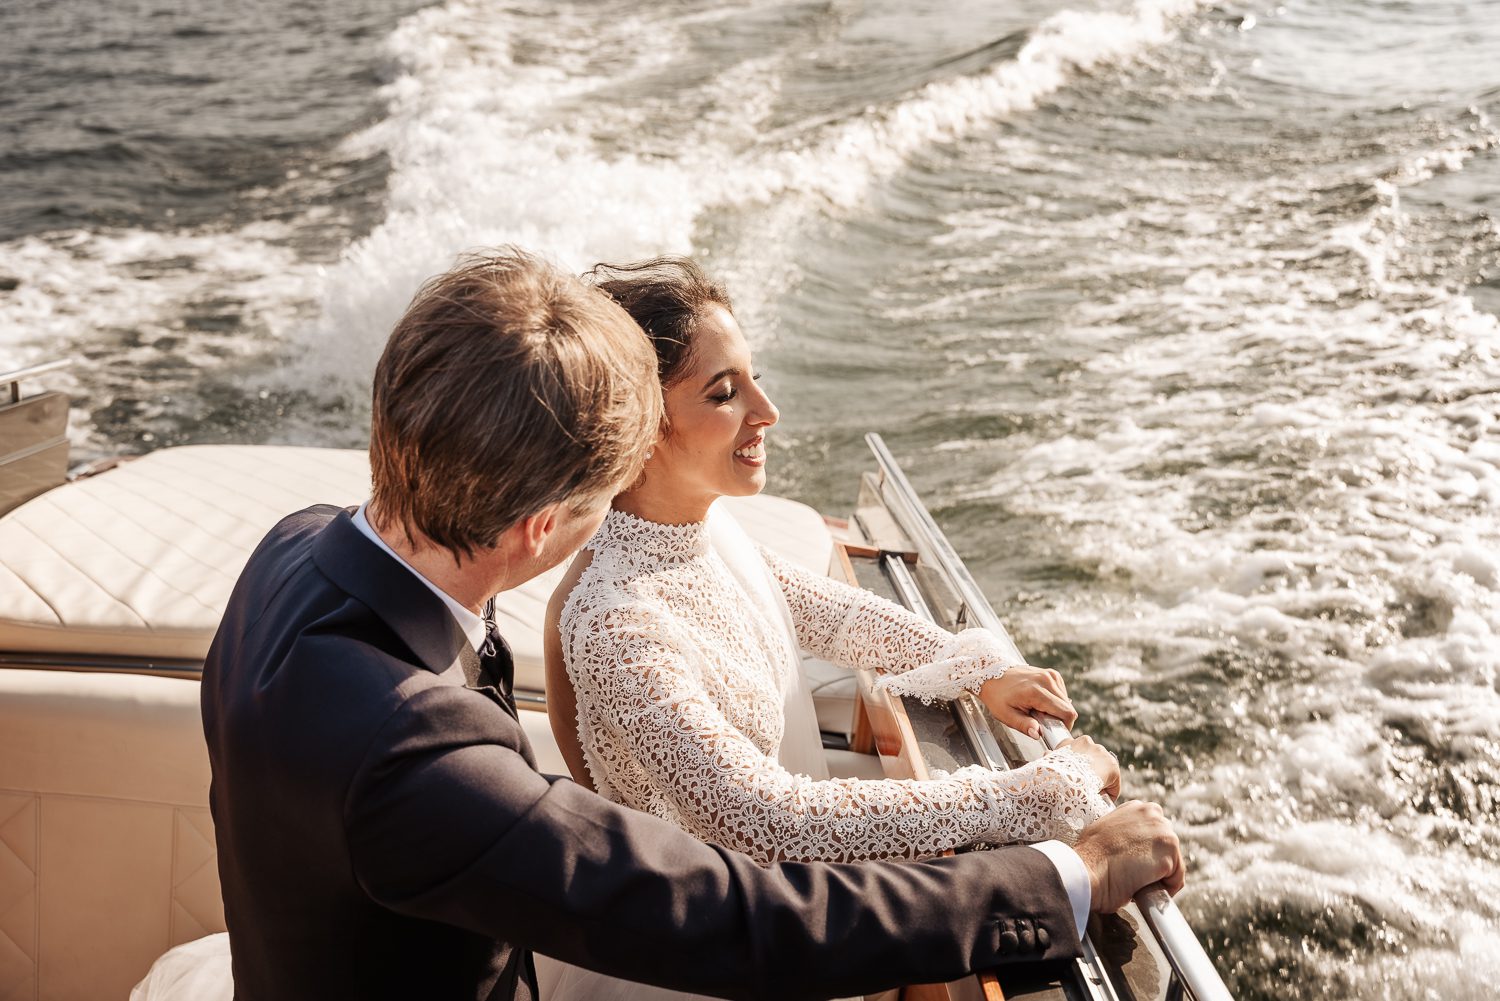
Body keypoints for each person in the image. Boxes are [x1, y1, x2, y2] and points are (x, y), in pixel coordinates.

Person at [139, 248, 1183, 1001]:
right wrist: (1067, 872)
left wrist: (955, 665)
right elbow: (738, 911)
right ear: (547, 522)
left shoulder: (295, 547)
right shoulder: (413, 753)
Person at [538, 258, 1156, 1000]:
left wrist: (972, 665)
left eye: (753, 378)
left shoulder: (695, 530)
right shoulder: (617, 619)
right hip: (710, 960)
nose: (766, 410)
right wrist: (1038, 790)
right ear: (640, 425)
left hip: (783, 915)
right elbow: (773, 821)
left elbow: (823, 608)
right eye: (725, 393)